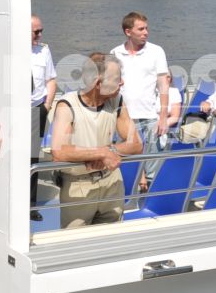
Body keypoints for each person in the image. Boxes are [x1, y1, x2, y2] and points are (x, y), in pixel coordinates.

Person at [0, 15, 59, 221]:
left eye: (41, 31)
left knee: (31, 158)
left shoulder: (44, 50)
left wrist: (46, 106)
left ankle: (29, 207)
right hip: (8, 111)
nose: (40, 35)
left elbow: (51, 80)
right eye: (36, 32)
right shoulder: (3, 50)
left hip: (34, 110)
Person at [49, 54, 142, 229]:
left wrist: (109, 150)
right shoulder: (67, 106)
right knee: (74, 244)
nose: (122, 83)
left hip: (112, 184)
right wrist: (101, 153)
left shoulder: (117, 101)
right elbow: (59, 151)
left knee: (110, 241)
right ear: (98, 83)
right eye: (117, 79)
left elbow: (136, 144)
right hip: (79, 188)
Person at [110, 12, 174, 186]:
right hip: (125, 118)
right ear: (128, 32)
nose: (146, 32)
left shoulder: (156, 51)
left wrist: (163, 117)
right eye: (141, 29)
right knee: (129, 165)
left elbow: (163, 84)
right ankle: (129, 200)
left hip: (151, 116)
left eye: (146, 28)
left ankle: (151, 199)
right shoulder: (115, 53)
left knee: (153, 166)